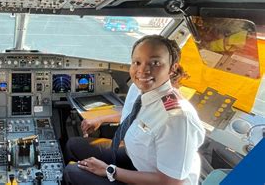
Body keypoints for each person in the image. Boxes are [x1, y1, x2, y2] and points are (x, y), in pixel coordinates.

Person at [64, 35, 205, 185]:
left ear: (172, 68)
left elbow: (170, 182)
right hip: (136, 158)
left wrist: (109, 170)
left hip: (158, 179)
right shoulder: (138, 88)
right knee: (73, 145)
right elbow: (134, 115)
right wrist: (100, 119)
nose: (143, 70)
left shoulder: (177, 119)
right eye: (137, 62)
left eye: (155, 63)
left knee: (72, 172)